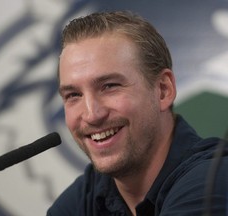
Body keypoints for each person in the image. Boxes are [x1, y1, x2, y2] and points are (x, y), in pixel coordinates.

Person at [47, 11, 228, 216]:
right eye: (73, 95)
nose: (91, 115)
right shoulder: (89, 192)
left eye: (109, 86)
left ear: (163, 90)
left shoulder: (212, 182)